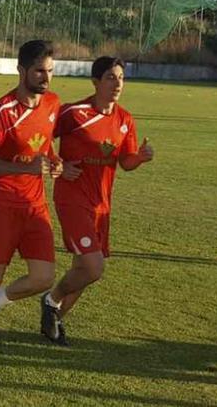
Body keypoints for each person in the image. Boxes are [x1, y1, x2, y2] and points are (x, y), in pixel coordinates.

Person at [0, 40, 63, 368]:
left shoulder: (52, 104)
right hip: (0, 206)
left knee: (43, 278)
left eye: (49, 71)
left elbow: (44, 147)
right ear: (21, 70)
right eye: (39, 71)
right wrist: (26, 167)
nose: (45, 78)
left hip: (34, 205)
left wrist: (54, 161)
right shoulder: (3, 110)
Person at [40, 56, 154, 346]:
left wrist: (139, 158)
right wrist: (58, 163)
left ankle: (56, 320)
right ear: (95, 81)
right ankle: (51, 301)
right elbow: (41, 136)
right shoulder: (74, 113)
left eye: (121, 78)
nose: (117, 84)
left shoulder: (125, 120)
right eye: (110, 78)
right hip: (72, 197)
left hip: (101, 205)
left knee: (85, 269)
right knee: (93, 267)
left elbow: (125, 163)